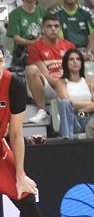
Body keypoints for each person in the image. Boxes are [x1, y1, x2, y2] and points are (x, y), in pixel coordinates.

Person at [0, 44, 41, 216]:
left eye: (0, 59)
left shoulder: (13, 84)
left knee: (27, 199)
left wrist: (20, 175)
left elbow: (16, 134)